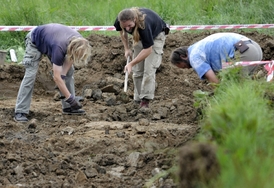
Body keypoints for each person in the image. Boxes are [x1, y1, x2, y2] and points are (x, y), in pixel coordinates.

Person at [14, 23, 92, 122]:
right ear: (72, 48)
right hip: (35, 40)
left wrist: (62, 76)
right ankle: (20, 111)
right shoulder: (59, 48)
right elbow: (56, 77)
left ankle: (69, 107)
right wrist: (70, 98)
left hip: (51, 41)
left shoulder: (80, 41)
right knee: (30, 75)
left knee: (69, 71)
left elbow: (71, 57)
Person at [114, 7, 169, 108]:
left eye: (129, 26)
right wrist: (127, 49)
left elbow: (148, 49)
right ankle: (138, 99)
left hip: (156, 36)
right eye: (124, 26)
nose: (127, 29)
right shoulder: (121, 19)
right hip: (139, 35)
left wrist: (131, 63)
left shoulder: (144, 25)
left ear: (134, 19)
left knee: (149, 69)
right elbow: (122, 32)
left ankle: (145, 101)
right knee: (137, 71)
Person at [170, 32, 263, 84]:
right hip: (254, 48)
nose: (185, 68)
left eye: (181, 66)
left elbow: (214, 81)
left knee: (234, 87)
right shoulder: (198, 47)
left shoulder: (194, 57)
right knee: (243, 84)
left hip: (244, 53)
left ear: (183, 56)